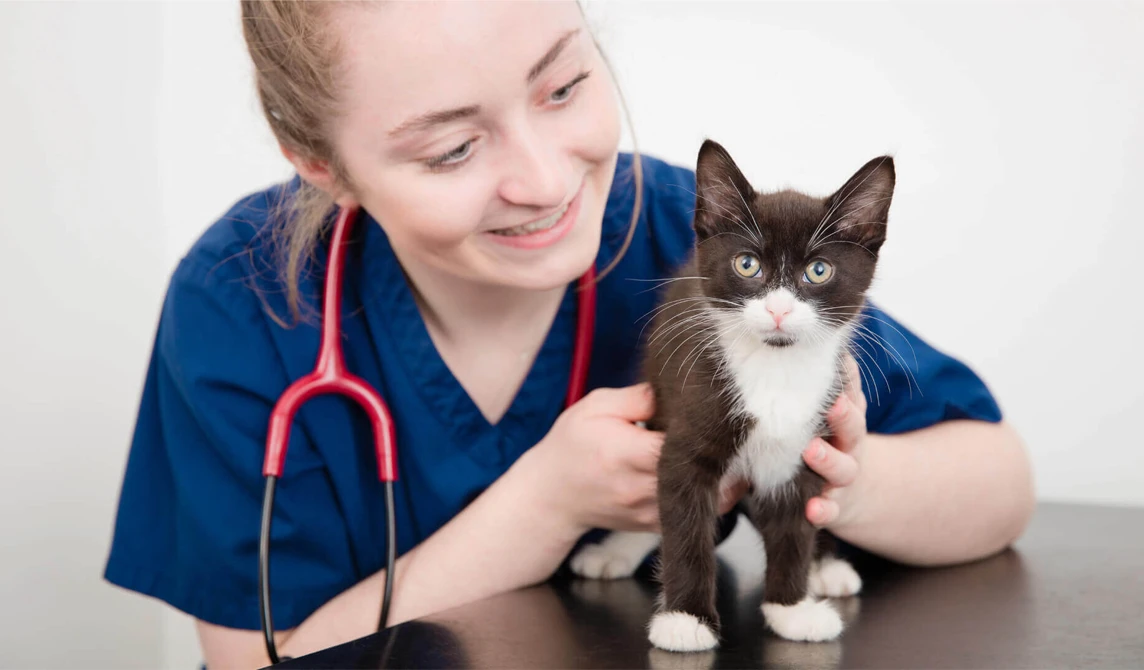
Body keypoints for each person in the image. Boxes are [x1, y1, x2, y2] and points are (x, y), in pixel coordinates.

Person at [103, 1, 1035, 667]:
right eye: (452, 149)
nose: (546, 181)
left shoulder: (689, 232)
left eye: (563, 85)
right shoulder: (243, 302)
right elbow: (263, 659)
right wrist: (546, 503)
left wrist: (833, 476)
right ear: (324, 166)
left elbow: (1001, 487)